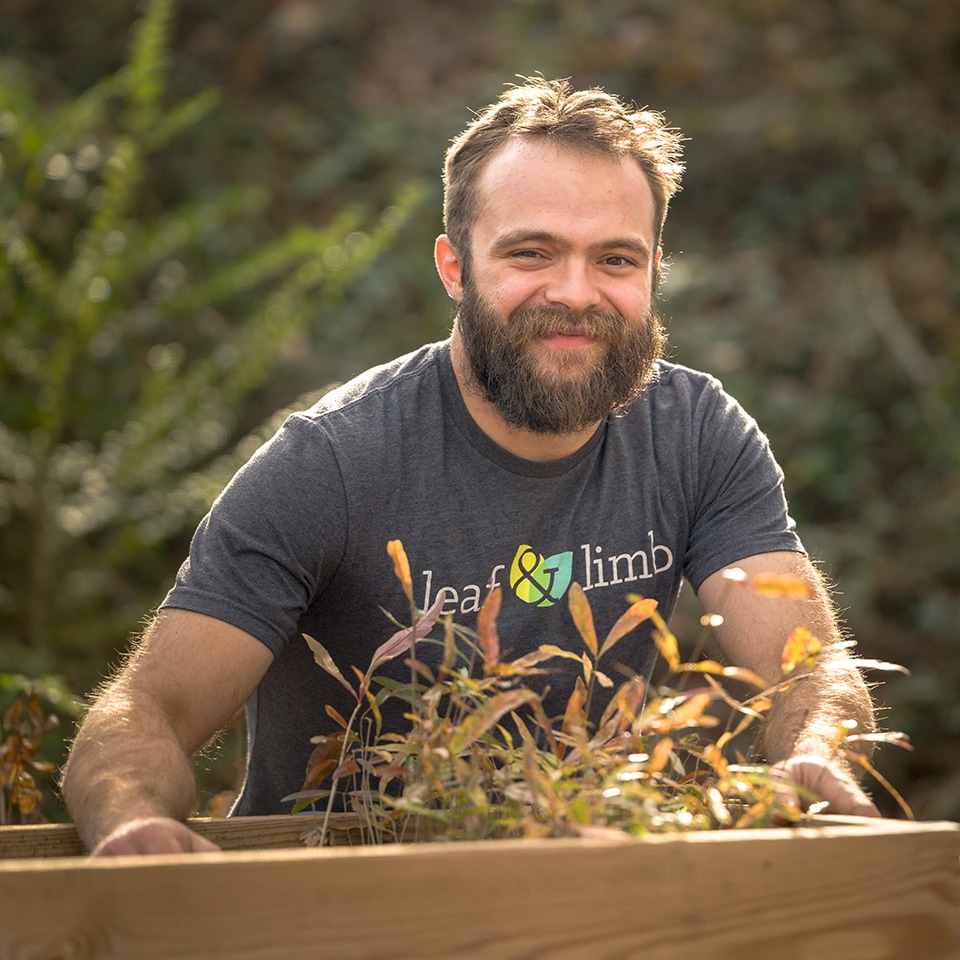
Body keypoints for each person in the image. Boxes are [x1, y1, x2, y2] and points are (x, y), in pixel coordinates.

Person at [61, 77, 880, 856]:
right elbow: (149, 710)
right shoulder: (332, 462)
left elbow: (804, 668)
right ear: (455, 268)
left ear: (655, 271)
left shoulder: (697, 435)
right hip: (335, 899)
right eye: (531, 253)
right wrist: (131, 821)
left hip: (587, 886)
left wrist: (822, 750)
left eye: (616, 260)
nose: (576, 291)